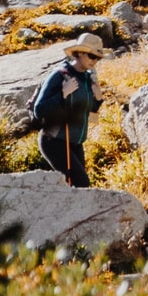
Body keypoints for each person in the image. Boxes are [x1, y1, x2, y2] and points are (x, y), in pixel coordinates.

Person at [32, 36, 105, 187]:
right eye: (92, 56)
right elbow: (39, 110)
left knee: (78, 187)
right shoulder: (59, 75)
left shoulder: (87, 79)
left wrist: (97, 100)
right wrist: (62, 94)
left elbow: (87, 113)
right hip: (54, 140)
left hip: (76, 143)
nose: (94, 61)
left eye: (97, 58)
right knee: (81, 184)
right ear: (80, 53)